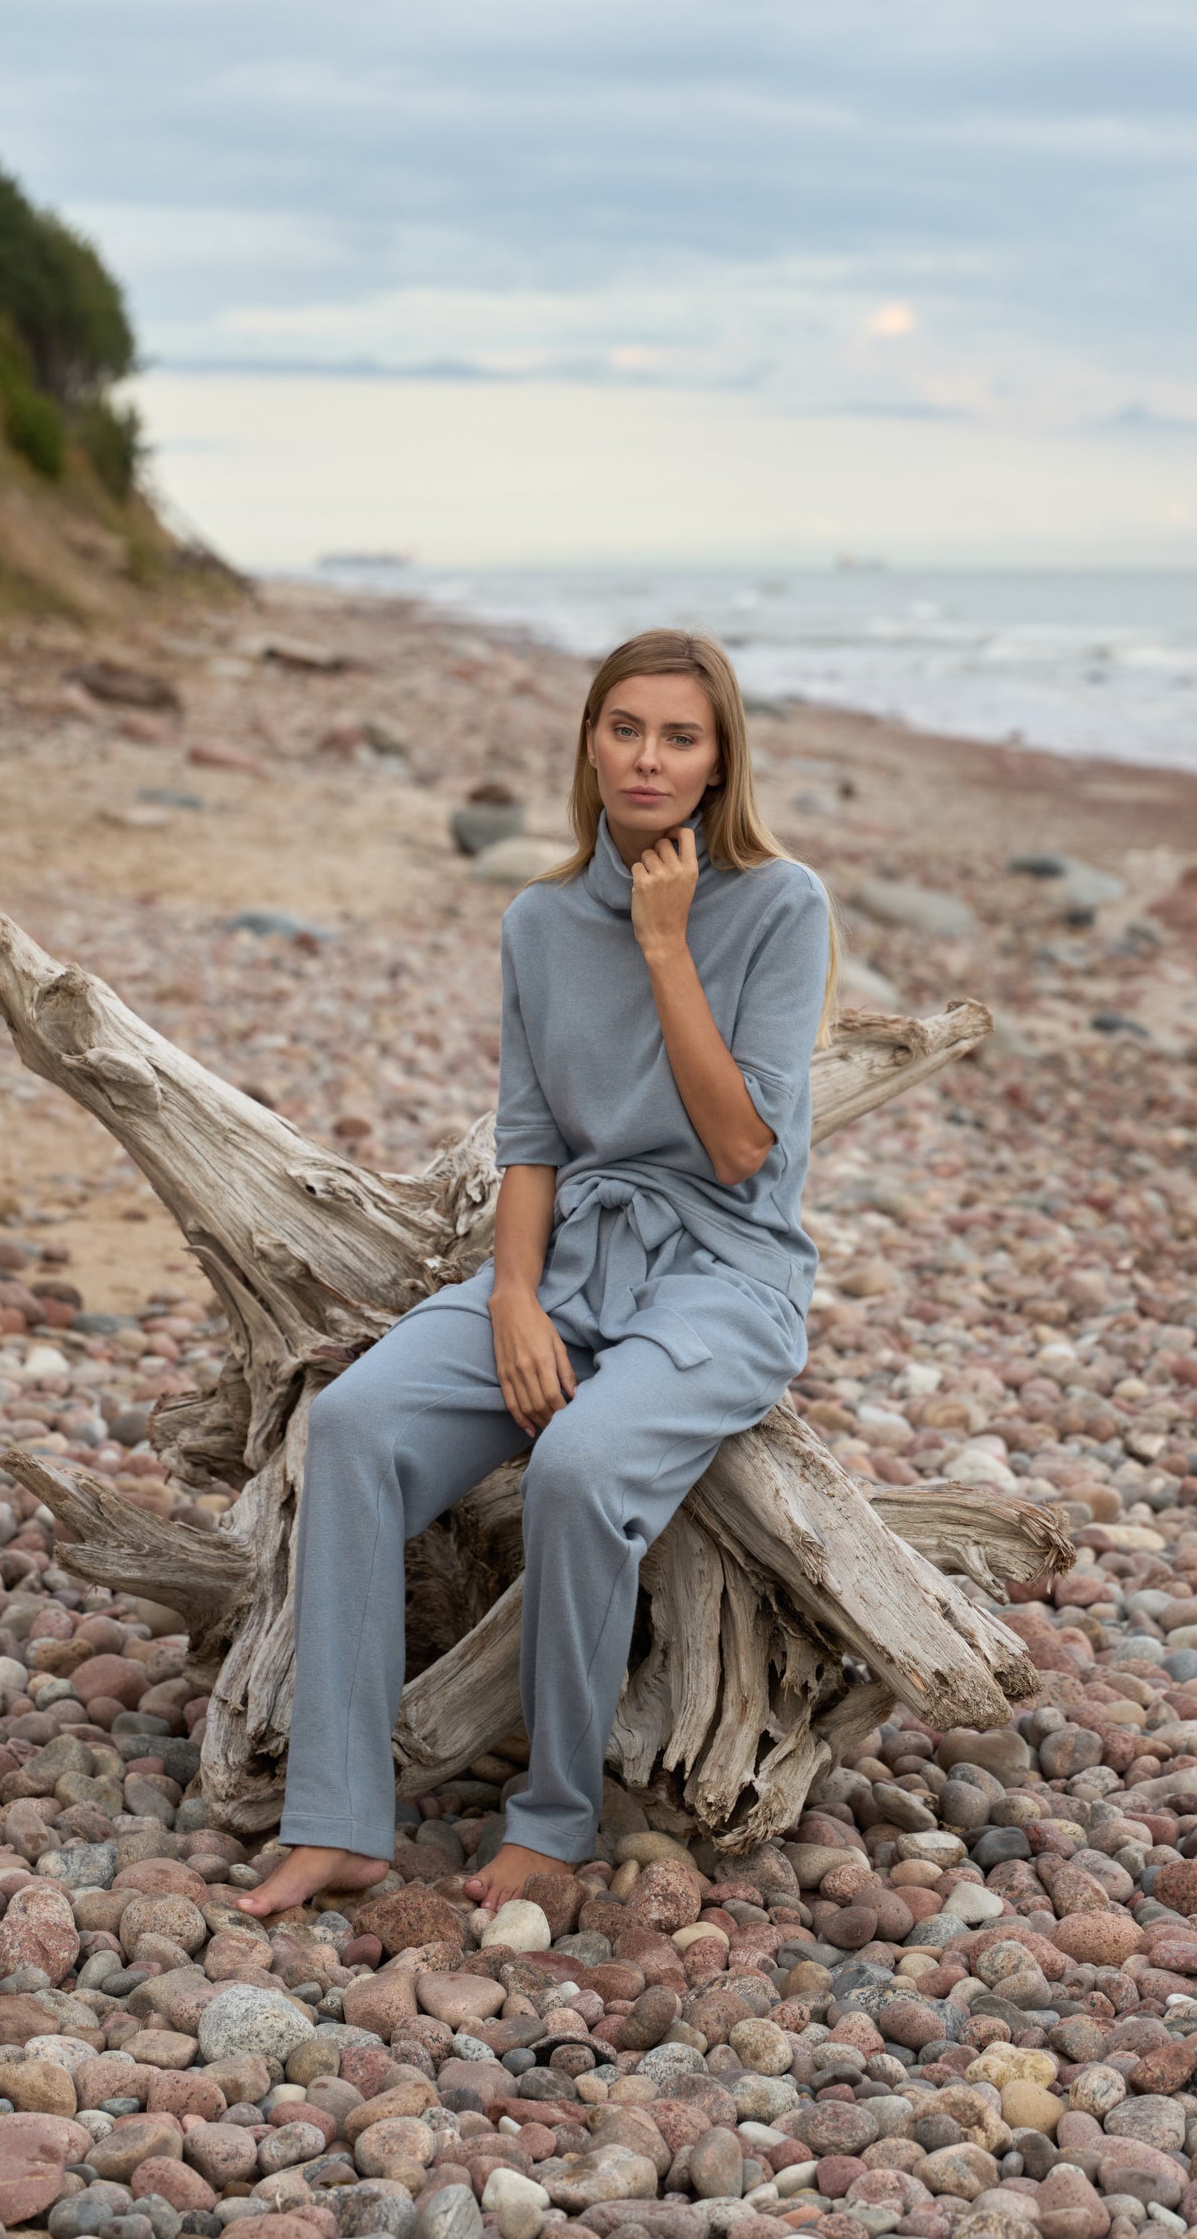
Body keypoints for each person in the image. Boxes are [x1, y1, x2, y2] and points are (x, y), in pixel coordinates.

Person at [236, 627, 837, 1921]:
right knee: (348, 1427)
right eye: (624, 728)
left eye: (680, 735)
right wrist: (510, 1298)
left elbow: (741, 1147)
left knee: (573, 1470)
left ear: (720, 755)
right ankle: (337, 1818)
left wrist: (667, 943)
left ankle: (555, 1818)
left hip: (726, 1277)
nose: (648, 758)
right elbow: (530, 1140)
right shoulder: (538, 921)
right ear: (587, 742)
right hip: (565, 1265)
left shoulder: (781, 906)